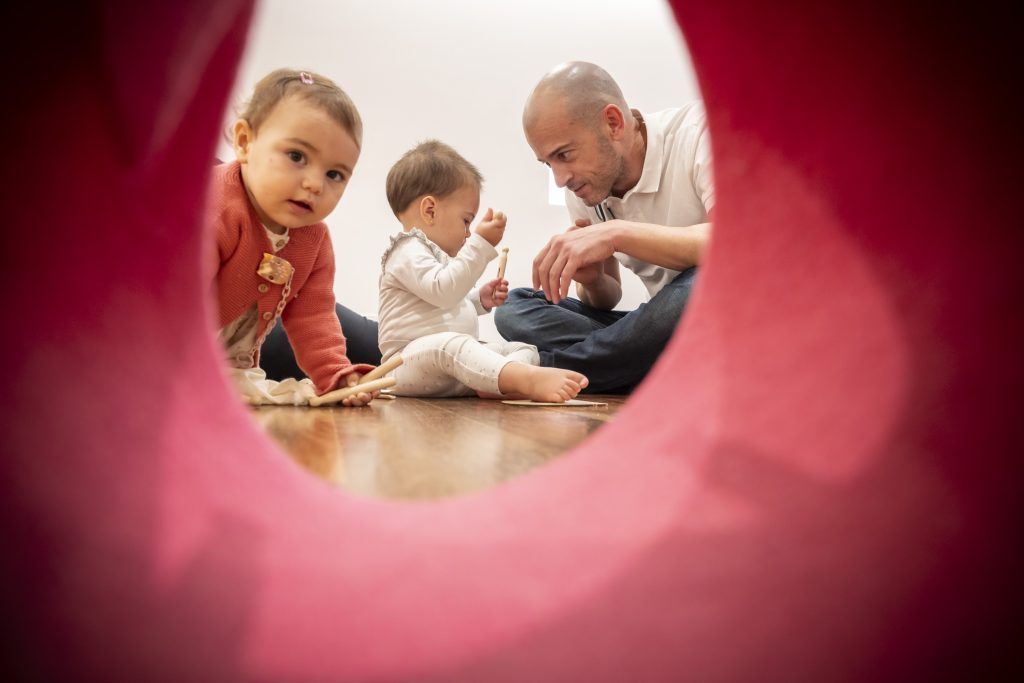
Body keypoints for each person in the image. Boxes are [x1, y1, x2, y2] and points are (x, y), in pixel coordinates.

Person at [494, 61, 714, 393]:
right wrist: (594, 280)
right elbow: (607, 298)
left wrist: (615, 234)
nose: (560, 179)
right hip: (656, 328)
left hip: (717, 315)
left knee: (706, 281)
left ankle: (544, 369)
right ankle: (652, 366)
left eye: (564, 155)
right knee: (513, 307)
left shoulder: (700, 133)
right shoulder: (583, 189)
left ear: (613, 123)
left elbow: (734, 245)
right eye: (548, 164)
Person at [209, 68, 378, 406]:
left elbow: (313, 314)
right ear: (244, 142)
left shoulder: (313, 240)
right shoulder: (214, 209)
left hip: (228, 361)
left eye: (334, 174)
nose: (315, 183)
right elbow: (176, 302)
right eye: (297, 156)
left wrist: (334, 373)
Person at [378, 140, 589, 402]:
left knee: (522, 348)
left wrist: (479, 300)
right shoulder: (406, 251)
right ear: (430, 210)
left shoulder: (438, 257)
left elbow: (447, 301)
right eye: (466, 220)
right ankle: (524, 379)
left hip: (452, 367)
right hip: (407, 363)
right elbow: (443, 292)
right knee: (453, 346)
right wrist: (481, 244)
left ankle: (498, 380)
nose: (468, 233)